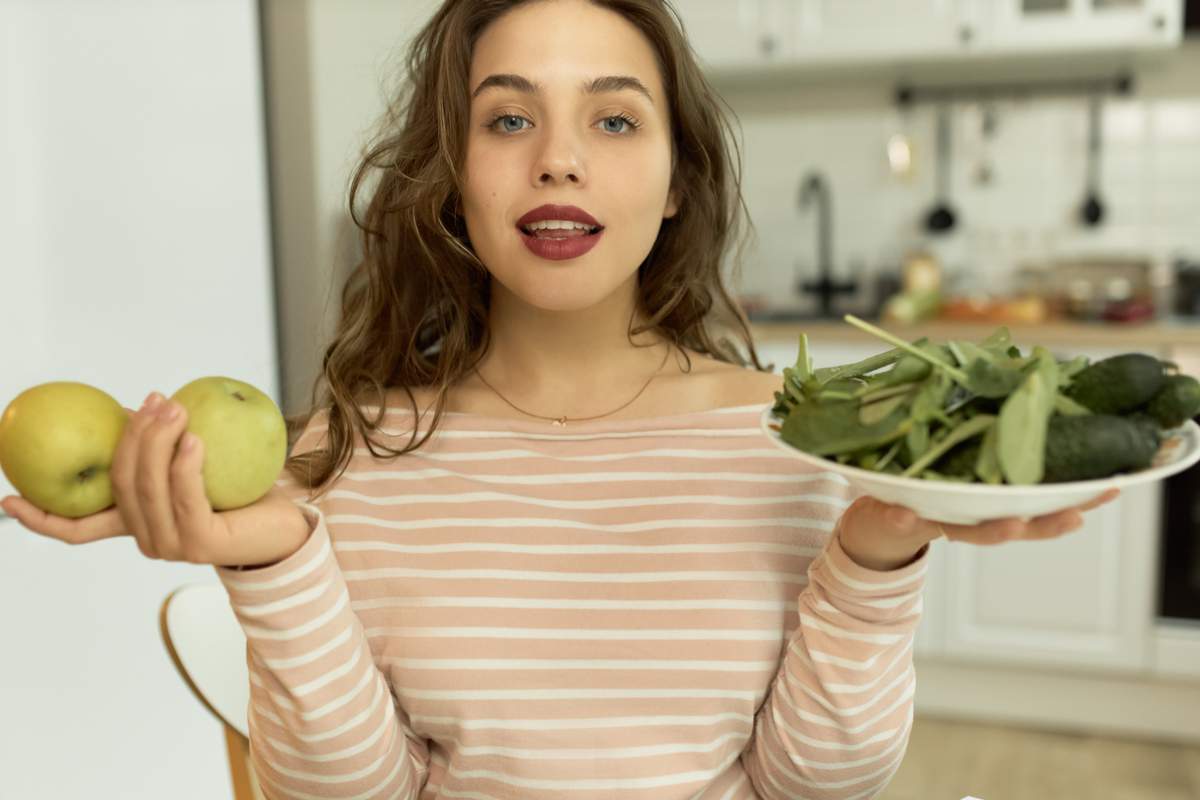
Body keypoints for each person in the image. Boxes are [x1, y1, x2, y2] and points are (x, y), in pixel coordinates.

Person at [2, 1, 1119, 797]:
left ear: (678, 180)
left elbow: (809, 783)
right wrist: (274, 556)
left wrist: (873, 552)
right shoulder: (345, 453)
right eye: (507, 118)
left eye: (615, 118)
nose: (559, 161)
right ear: (452, 176)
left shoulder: (802, 437)